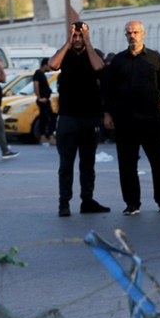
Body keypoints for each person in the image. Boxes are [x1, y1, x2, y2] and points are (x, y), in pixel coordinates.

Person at [103, 20, 160, 216]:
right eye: (128, 33)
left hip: (151, 118)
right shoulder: (118, 61)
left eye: (135, 32)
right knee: (127, 164)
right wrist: (108, 113)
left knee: (159, 162)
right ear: (125, 36)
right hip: (125, 120)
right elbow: (109, 90)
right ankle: (132, 203)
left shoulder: (154, 58)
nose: (132, 36)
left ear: (143, 34)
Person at [48, 21, 110, 217]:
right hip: (68, 117)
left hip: (90, 117)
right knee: (66, 164)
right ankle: (64, 203)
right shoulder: (64, 53)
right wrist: (67, 42)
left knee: (87, 163)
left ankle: (87, 200)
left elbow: (99, 67)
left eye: (80, 36)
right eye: (75, 35)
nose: (77, 39)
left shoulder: (94, 53)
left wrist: (88, 42)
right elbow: (52, 64)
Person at [33, 57, 56, 146]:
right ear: (45, 65)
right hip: (43, 100)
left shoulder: (42, 74)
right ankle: (48, 136)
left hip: (45, 99)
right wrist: (39, 97)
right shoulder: (38, 73)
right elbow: (36, 85)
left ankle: (46, 136)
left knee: (47, 118)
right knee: (47, 118)